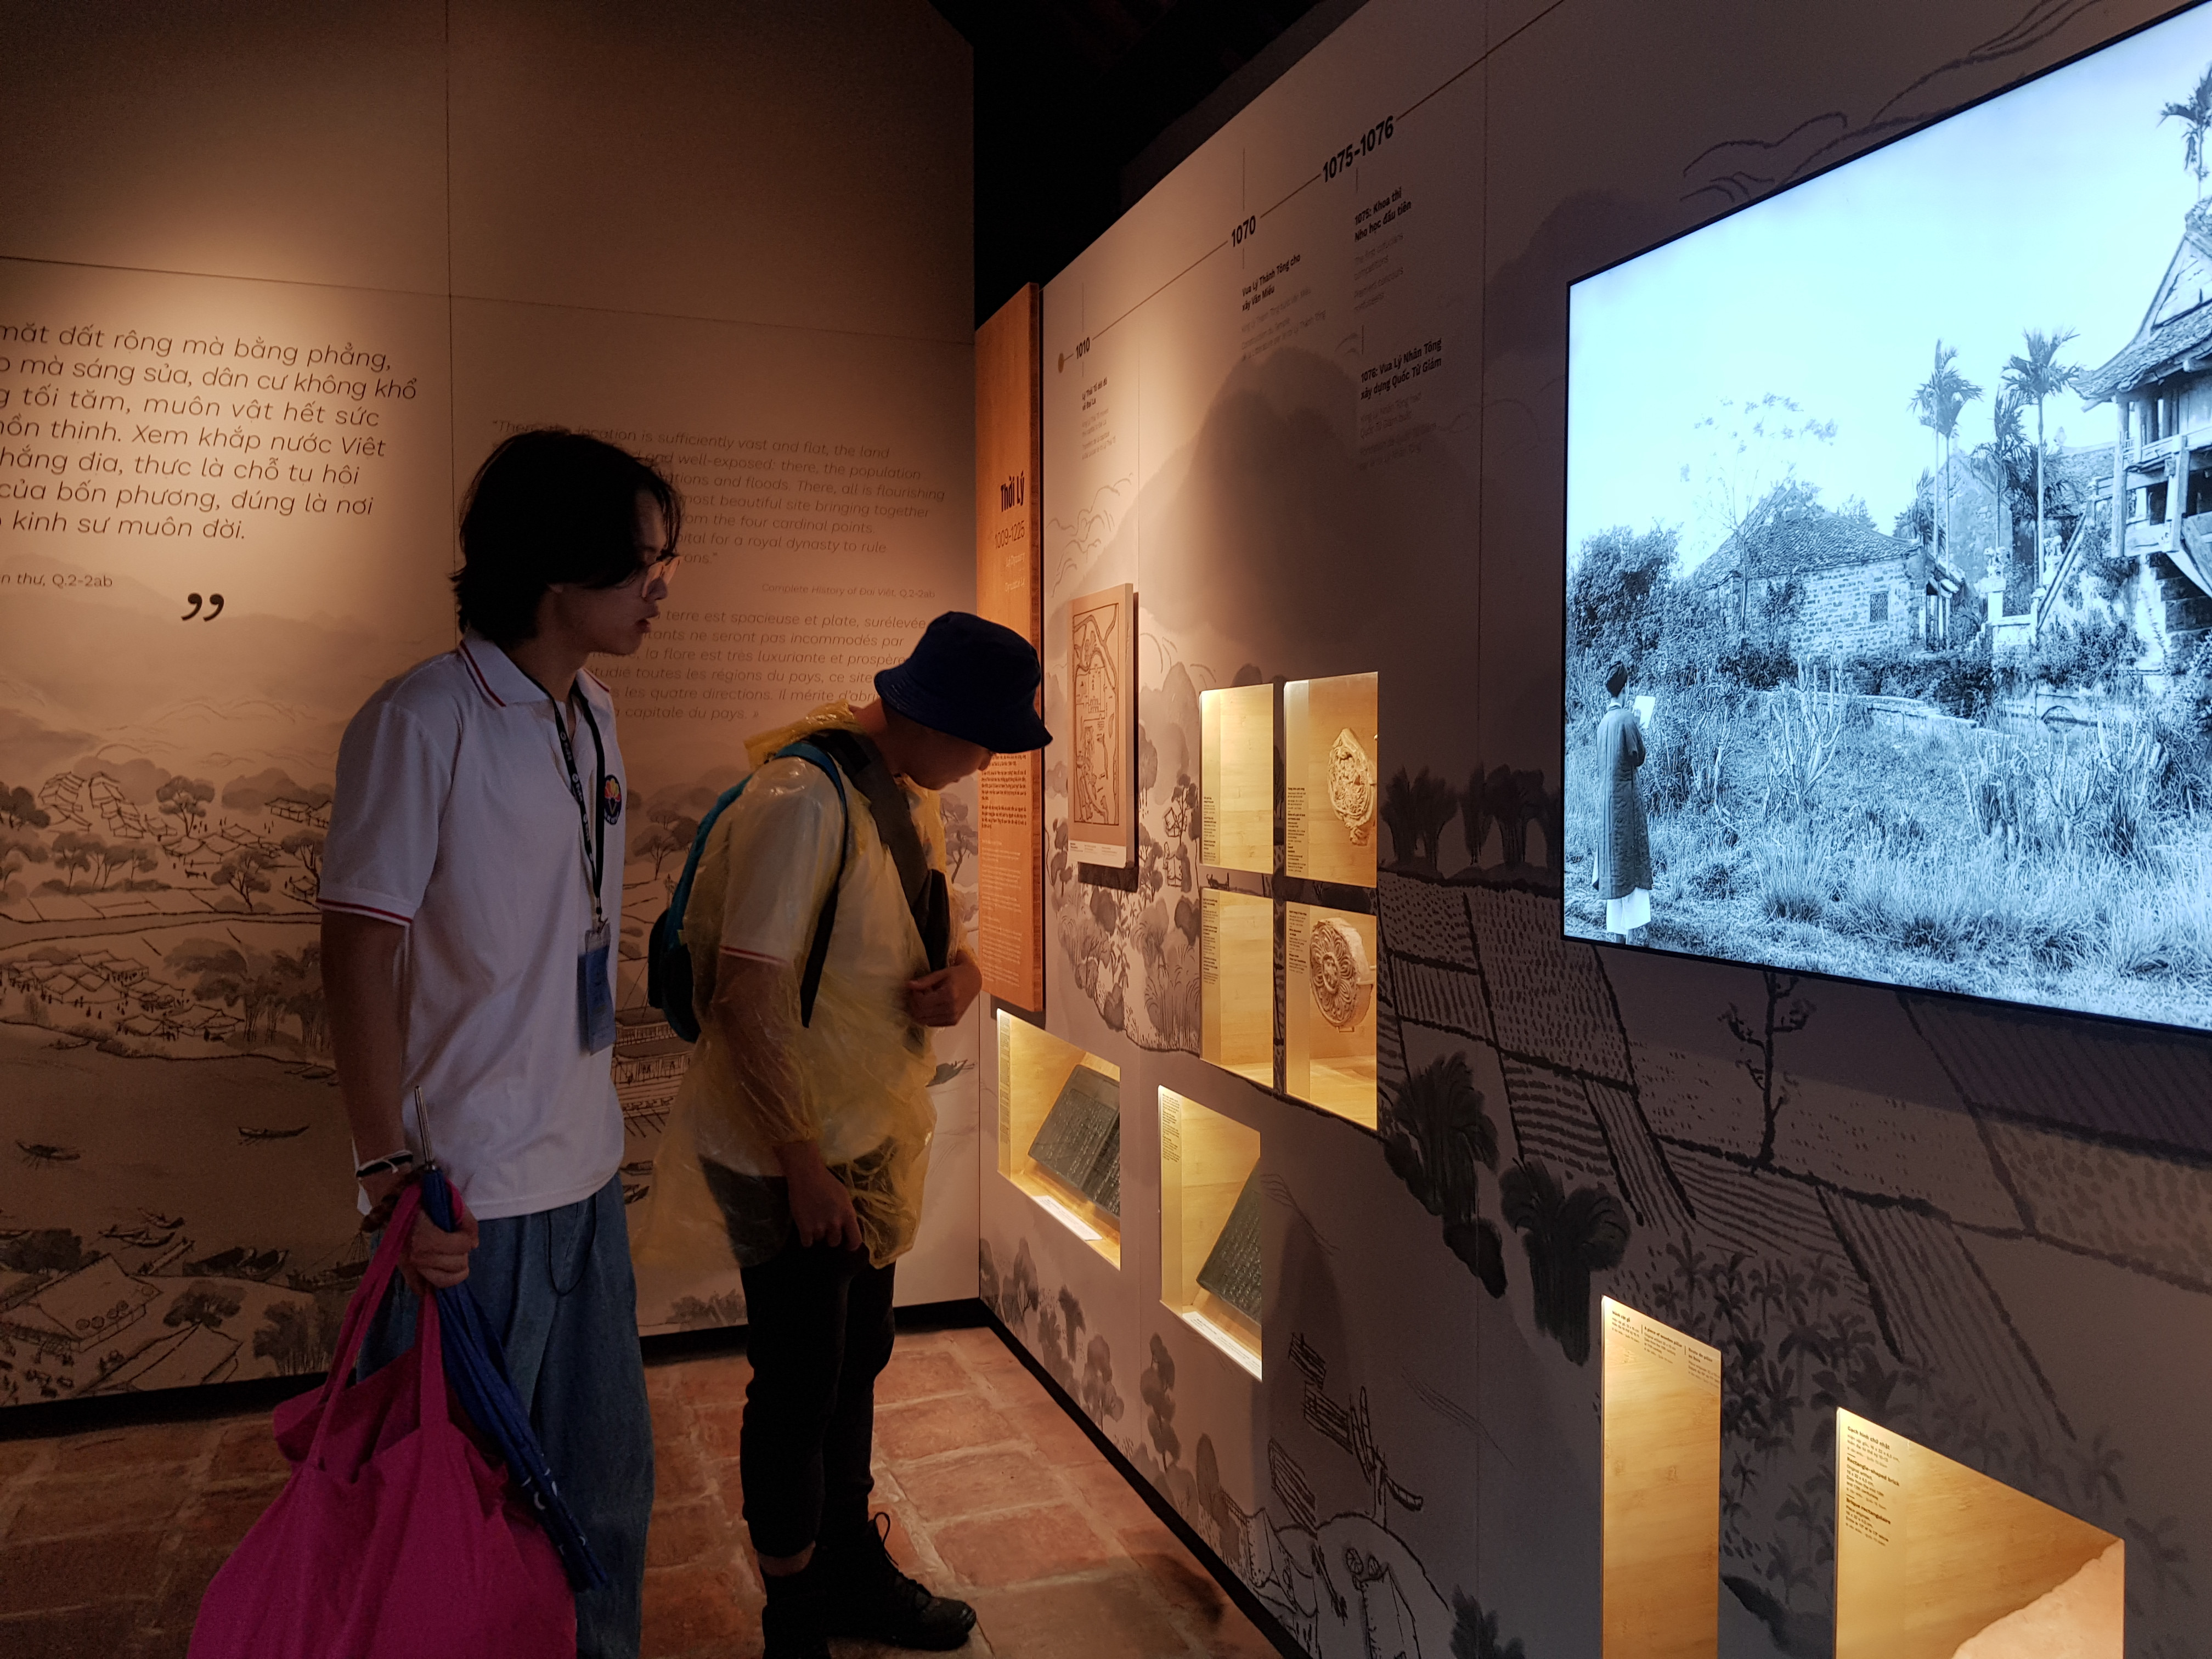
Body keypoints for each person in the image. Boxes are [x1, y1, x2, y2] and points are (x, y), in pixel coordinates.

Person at [318, 428, 680, 1658]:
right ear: (557, 566)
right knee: (455, 1517)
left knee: (605, 1500)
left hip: (583, 1171)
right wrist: (389, 1174)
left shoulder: (595, 715)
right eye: (642, 561)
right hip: (466, 1198)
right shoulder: (422, 719)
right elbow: (357, 953)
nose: (659, 588)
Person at [669, 611, 1049, 1659]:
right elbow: (747, 994)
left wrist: (963, 978)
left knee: (854, 1357)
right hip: (791, 1148)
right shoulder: (803, 797)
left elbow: (934, 938)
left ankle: (844, 1563)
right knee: (798, 1381)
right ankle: (794, 1613)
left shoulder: (896, 791)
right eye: (981, 741)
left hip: (862, 1135)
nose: (982, 765)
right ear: (932, 717)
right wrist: (801, 1163)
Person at [1592, 662, 1653, 945]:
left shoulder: (1603, 724)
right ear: (1625, 690)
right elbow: (1638, 756)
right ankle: (1630, 945)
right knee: (1630, 869)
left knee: (1614, 870)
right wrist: (1638, 726)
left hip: (1606, 807)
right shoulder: (1627, 720)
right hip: (1625, 805)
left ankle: (1617, 943)